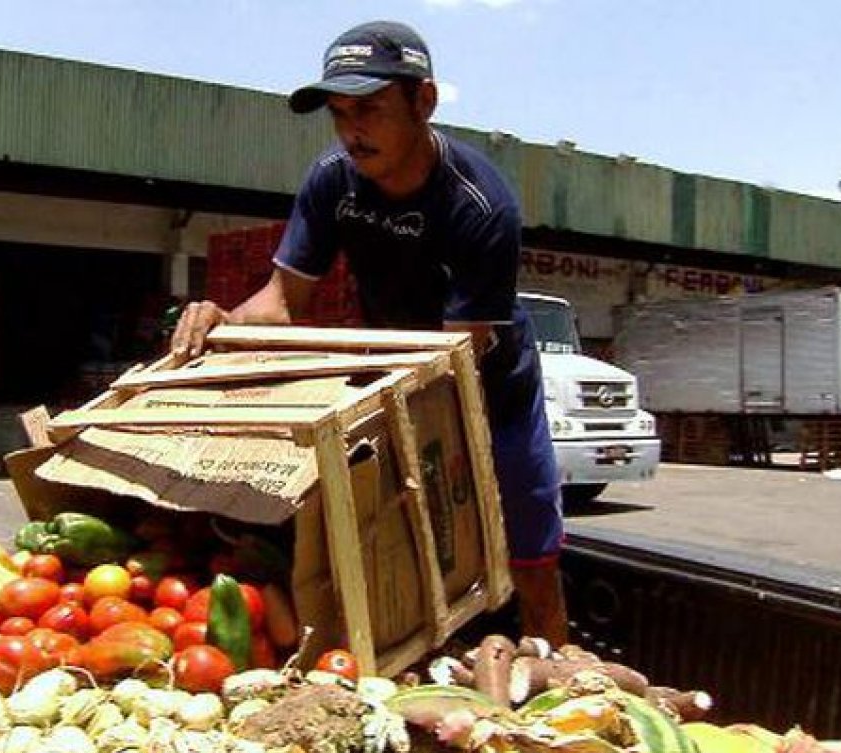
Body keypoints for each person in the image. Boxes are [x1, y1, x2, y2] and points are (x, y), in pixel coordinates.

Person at [171, 20, 568, 646]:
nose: (352, 132)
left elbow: (461, 349)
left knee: (529, 556)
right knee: (396, 549)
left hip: (490, 386)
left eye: (370, 110)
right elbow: (280, 301)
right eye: (339, 114)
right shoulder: (333, 179)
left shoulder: (481, 204)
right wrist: (224, 322)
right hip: (394, 374)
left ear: (424, 101)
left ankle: (560, 672)